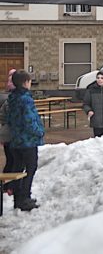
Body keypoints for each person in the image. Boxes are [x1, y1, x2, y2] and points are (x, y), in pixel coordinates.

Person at [6, 70, 44, 211]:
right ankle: (25, 198)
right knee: (30, 168)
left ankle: (18, 199)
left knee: (18, 169)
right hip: (28, 141)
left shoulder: (12, 98)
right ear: (25, 82)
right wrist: (39, 131)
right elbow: (30, 119)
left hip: (16, 141)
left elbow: (10, 119)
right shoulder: (26, 99)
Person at [0, 69, 16, 195]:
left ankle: (6, 185)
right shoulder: (11, 100)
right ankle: (8, 186)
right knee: (13, 161)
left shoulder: (5, 98)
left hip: (5, 135)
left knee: (10, 160)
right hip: (11, 135)